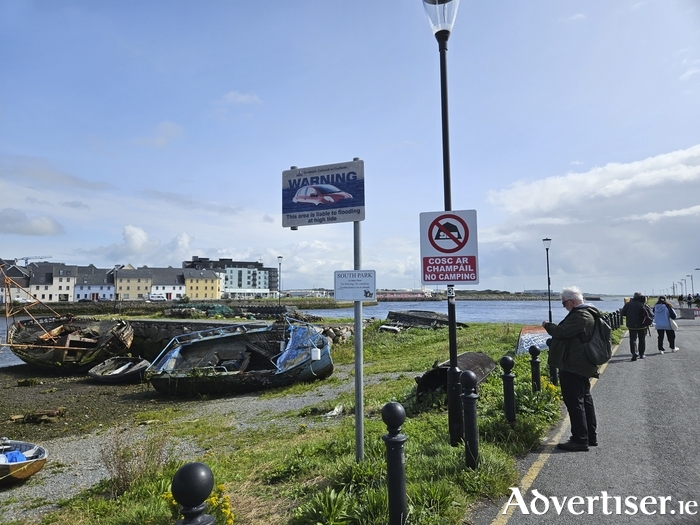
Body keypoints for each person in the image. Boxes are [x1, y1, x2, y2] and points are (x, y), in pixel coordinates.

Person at [542, 286, 599, 452]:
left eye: (564, 304)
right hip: (581, 363)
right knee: (584, 400)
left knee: (575, 402)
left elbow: (561, 332)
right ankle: (590, 436)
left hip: (574, 364)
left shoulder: (581, 315)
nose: (564, 307)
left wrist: (547, 325)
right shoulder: (588, 312)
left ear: (572, 302)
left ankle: (580, 439)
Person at [620, 292, 650, 361]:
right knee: (642, 339)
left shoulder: (628, 304)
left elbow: (623, 313)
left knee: (632, 339)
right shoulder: (642, 304)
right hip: (642, 325)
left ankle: (634, 352)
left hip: (631, 325)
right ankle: (641, 354)